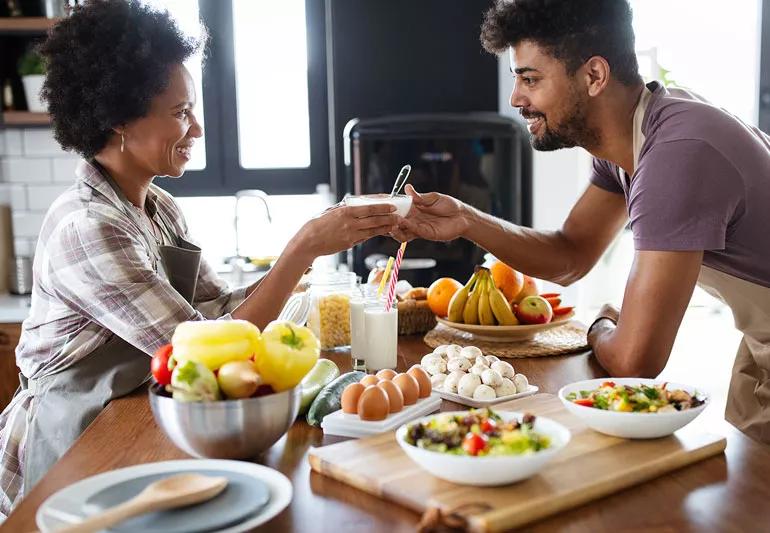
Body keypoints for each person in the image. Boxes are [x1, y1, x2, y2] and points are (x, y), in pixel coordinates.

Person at [0, 0, 398, 516]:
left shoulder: (157, 206)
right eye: (180, 112)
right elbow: (198, 352)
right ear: (118, 117)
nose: (197, 130)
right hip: (73, 445)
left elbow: (217, 314)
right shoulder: (90, 228)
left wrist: (304, 267)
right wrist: (302, 249)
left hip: (129, 425)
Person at [394, 0, 770, 444]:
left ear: (594, 76)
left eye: (530, 79)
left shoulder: (676, 156)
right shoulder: (636, 137)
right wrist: (465, 219)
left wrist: (600, 325)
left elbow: (634, 361)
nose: (516, 98)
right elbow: (571, 252)